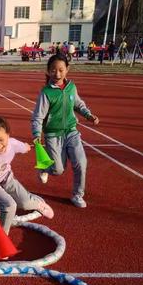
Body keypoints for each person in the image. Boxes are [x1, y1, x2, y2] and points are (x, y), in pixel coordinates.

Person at [0, 117, 54, 256]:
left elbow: (22, 147)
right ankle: (0, 242)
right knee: (9, 205)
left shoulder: (12, 143)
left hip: (7, 177)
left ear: (8, 136)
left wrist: (28, 147)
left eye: (1, 140)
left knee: (26, 203)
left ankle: (38, 204)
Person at [31, 54, 99, 208]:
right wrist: (36, 133)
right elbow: (38, 116)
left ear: (67, 69)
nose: (57, 74)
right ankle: (44, 167)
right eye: (53, 70)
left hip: (71, 131)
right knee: (57, 170)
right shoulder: (46, 93)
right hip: (53, 135)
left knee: (81, 163)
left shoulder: (71, 88)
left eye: (61, 70)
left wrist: (88, 115)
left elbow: (78, 104)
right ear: (48, 71)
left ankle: (77, 195)